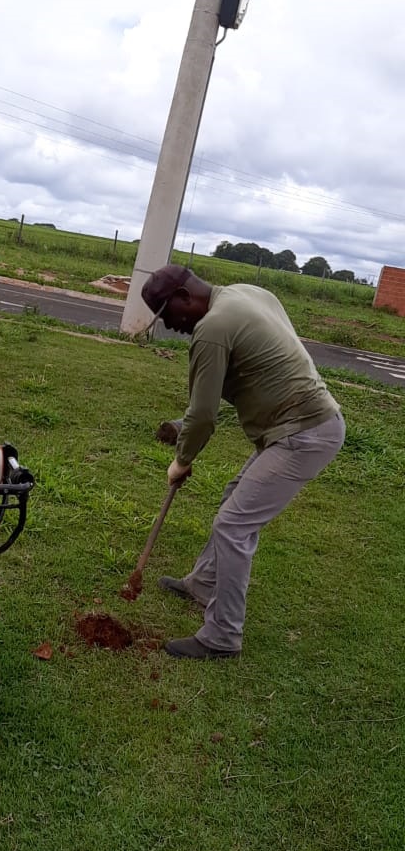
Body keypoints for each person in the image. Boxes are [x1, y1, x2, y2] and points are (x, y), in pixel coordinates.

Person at [140, 264, 346, 661]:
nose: (172, 326)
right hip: (300, 424)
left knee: (235, 525)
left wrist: (181, 461)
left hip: (303, 434)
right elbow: (261, 367)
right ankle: (203, 583)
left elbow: (203, 415)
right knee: (234, 496)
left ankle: (222, 635)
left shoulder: (212, 328)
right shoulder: (246, 293)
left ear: (185, 297)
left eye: (168, 315)